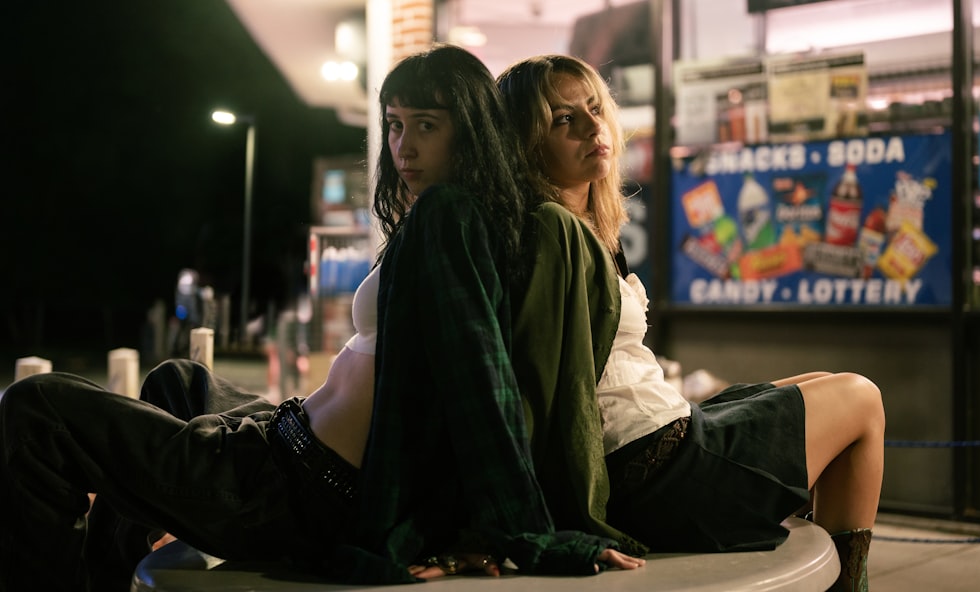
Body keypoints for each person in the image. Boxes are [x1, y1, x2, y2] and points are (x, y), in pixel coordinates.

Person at [0, 45, 641, 592]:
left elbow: (486, 385)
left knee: (35, 409)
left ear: (471, 130)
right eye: (394, 126)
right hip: (293, 443)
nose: (403, 147)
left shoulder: (452, 215)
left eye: (427, 126)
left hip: (297, 486)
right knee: (175, 382)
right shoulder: (455, 216)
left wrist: (526, 535)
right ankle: (114, 576)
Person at [497, 54, 885, 592]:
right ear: (526, 143)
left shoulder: (583, 225)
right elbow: (539, 385)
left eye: (594, 109)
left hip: (657, 441)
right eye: (564, 120)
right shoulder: (550, 227)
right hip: (650, 470)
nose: (592, 127)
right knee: (860, 397)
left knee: (823, 385)